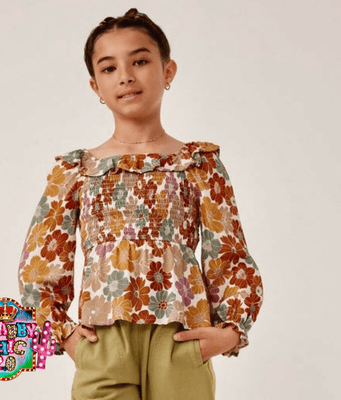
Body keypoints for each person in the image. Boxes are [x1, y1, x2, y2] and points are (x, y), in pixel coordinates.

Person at [18, 8, 263, 400]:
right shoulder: (77, 170)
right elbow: (40, 265)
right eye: (109, 68)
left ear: (168, 71)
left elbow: (229, 255)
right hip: (103, 342)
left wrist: (230, 331)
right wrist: (65, 336)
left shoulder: (199, 165)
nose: (126, 76)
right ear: (96, 87)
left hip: (180, 340)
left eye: (140, 61)